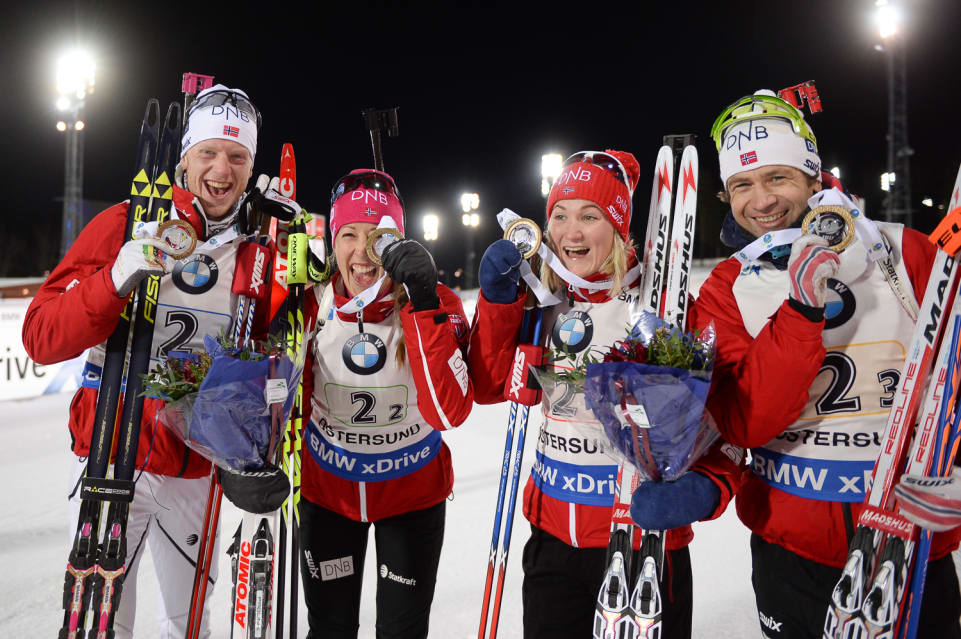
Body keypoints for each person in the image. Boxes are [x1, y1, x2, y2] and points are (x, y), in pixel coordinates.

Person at [694, 89, 961, 638]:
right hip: (791, 552)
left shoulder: (904, 252)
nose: (761, 200)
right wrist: (800, 310)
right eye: (742, 185)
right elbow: (746, 422)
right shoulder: (725, 289)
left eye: (779, 178)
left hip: (911, 541)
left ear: (815, 179)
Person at [23, 85, 279, 638]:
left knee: (187, 626)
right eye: (208, 152)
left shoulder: (263, 248)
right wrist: (112, 280)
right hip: (113, 455)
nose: (221, 169)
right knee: (103, 623)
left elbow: (274, 360)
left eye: (237, 156)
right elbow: (42, 338)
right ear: (184, 156)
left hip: (196, 467)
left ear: (251, 166)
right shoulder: (125, 221)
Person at [469, 150, 744, 639]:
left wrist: (708, 489)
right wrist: (497, 304)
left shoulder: (663, 308)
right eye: (560, 215)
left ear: (618, 227)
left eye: (590, 216)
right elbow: (491, 386)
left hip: (642, 542)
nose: (570, 233)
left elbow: (729, 424)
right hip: (551, 536)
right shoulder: (543, 301)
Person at [297, 169, 474, 639]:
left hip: (411, 497)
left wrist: (420, 304)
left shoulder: (437, 302)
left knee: (402, 631)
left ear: (397, 242)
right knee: (330, 630)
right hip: (329, 497)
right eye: (349, 234)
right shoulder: (310, 304)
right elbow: (282, 402)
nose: (362, 252)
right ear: (332, 241)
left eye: (378, 237)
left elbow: (449, 412)